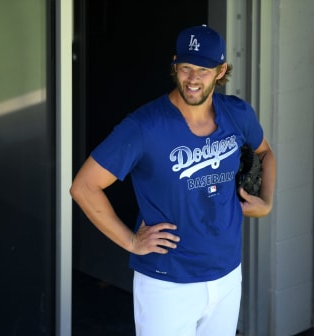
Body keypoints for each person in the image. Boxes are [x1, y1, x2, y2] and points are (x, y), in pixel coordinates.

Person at [69, 24, 276, 336]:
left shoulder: (237, 114)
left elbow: (266, 153)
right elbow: (84, 186)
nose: (193, 79)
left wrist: (267, 201)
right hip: (167, 283)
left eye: (203, 70)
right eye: (186, 67)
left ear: (221, 71)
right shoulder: (144, 126)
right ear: (175, 65)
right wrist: (131, 241)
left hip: (227, 274)